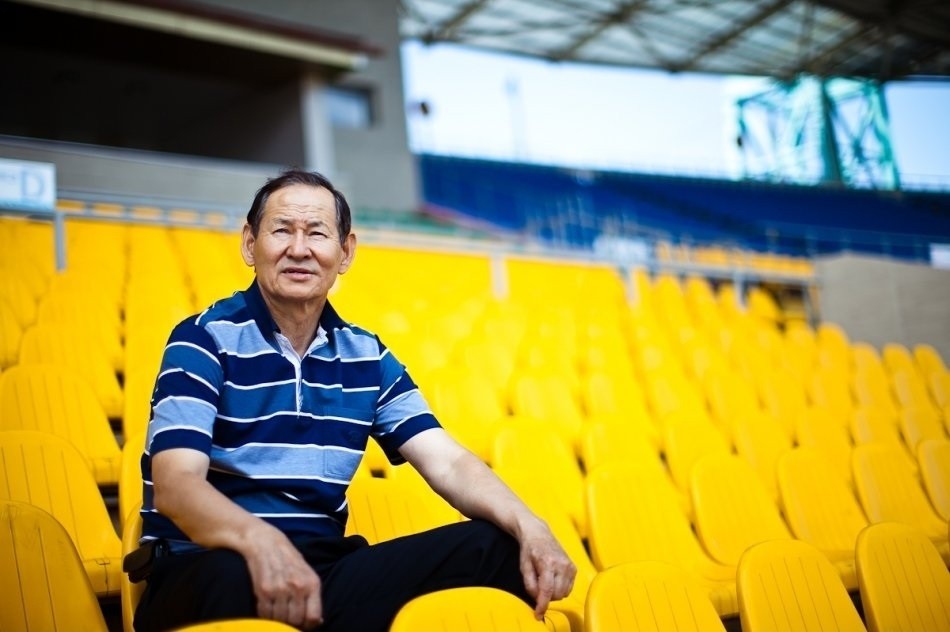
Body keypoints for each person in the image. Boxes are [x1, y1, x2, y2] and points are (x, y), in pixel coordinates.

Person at [133, 169, 576, 632]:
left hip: (322, 572)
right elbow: (176, 485)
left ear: (345, 253)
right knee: (235, 576)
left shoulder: (367, 356)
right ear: (249, 244)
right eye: (282, 230)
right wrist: (259, 541)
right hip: (207, 566)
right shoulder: (202, 340)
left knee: (499, 549)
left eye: (317, 233)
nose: (299, 249)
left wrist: (529, 524)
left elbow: (448, 464)